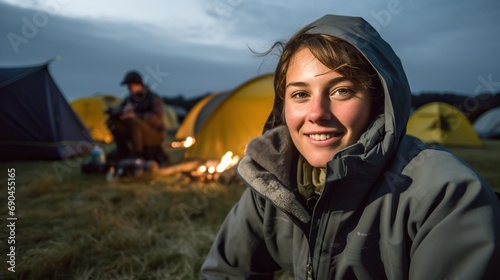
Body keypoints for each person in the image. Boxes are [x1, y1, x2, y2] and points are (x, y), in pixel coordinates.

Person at [201, 14, 500, 279]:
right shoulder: (274, 182)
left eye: (342, 91)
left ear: (379, 102)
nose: (316, 113)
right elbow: (226, 271)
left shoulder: (445, 195)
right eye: (300, 94)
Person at [106, 70, 167, 162]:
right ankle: (123, 151)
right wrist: (114, 112)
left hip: (155, 134)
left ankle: (137, 154)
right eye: (128, 86)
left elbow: (157, 119)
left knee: (132, 120)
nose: (128, 88)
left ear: (138, 84)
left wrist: (136, 116)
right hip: (135, 132)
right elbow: (121, 110)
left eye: (130, 85)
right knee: (112, 122)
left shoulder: (153, 98)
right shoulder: (130, 99)